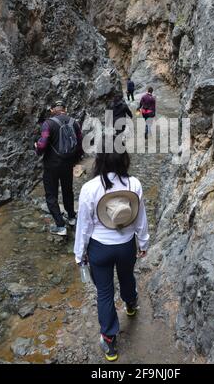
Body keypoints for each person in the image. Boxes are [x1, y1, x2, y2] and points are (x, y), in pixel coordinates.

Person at [74, 142, 149, 362]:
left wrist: (80, 254)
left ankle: (109, 340)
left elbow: (84, 226)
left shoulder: (90, 188)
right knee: (127, 277)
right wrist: (143, 244)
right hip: (126, 245)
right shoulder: (133, 183)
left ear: (100, 160)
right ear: (124, 158)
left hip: (99, 249)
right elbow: (140, 217)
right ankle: (131, 303)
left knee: (104, 293)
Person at [35, 100, 83, 236]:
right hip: (68, 163)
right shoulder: (74, 122)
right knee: (68, 190)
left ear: (52, 110)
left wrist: (36, 149)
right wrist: (75, 160)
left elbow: (43, 145)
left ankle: (60, 226)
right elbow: (79, 143)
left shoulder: (48, 124)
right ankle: (72, 217)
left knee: (51, 194)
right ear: (65, 109)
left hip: (51, 165)